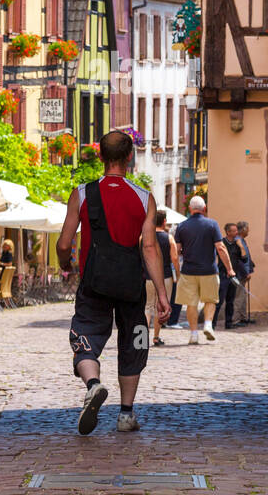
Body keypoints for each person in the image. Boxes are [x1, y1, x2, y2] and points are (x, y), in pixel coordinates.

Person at [57, 130, 169, 435]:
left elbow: (65, 243)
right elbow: (149, 247)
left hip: (94, 283)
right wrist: (161, 293)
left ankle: (93, 384)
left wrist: (65, 264)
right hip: (132, 287)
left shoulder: (81, 194)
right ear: (130, 157)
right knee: (136, 341)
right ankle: (126, 414)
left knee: (84, 336)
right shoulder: (145, 198)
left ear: (101, 157)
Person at [173, 196, 237, 345]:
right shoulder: (212, 224)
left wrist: (178, 271)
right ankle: (208, 324)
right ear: (204, 208)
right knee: (210, 300)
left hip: (188, 271)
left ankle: (194, 334)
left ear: (190, 209)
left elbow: (176, 252)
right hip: (209, 270)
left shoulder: (181, 226)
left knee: (191, 303)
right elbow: (220, 248)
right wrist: (230, 269)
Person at [150, 212, 180, 345]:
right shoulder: (169, 238)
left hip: (147, 276)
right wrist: (178, 275)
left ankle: (142, 339)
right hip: (164, 277)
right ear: (164, 221)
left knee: (146, 307)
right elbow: (174, 258)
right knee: (161, 308)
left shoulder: (143, 237)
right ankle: (156, 337)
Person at [217, 222, 248, 330]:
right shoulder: (221, 242)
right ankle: (212, 323)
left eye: (236, 230)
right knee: (219, 300)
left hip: (233, 276)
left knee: (230, 300)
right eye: (234, 231)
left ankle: (228, 323)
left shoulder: (237, 244)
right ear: (228, 232)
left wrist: (241, 246)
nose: (237, 233)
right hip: (223, 275)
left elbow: (244, 259)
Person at [234, 220, 254, 327]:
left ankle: (243, 317)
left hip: (244, 273)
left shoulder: (242, 240)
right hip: (240, 273)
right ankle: (235, 320)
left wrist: (250, 269)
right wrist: (246, 272)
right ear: (244, 229)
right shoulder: (238, 241)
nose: (249, 230)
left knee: (243, 295)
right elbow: (239, 260)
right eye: (248, 228)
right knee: (239, 296)